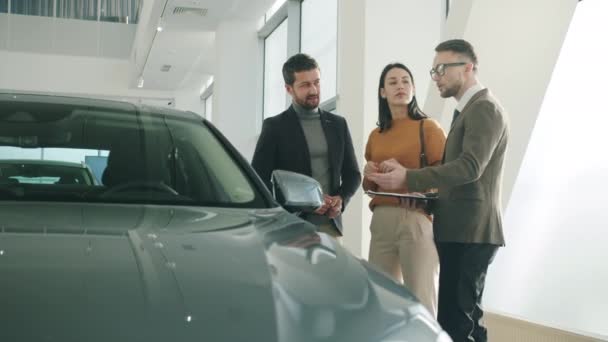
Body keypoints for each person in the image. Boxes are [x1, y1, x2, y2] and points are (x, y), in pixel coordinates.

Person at [367, 39, 509, 342]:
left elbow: (470, 168)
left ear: (468, 67)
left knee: (457, 323)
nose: (437, 76)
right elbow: (456, 177)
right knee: (461, 320)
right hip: (458, 228)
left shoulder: (484, 108)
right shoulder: (467, 110)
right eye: (434, 71)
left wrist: (409, 177)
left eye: (442, 68)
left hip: (471, 230)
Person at [363, 62, 446, 317]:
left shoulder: (428, 127)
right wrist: (367, 175)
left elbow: (446, 174)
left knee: (422, 303)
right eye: (393, 82)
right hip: (381, 221)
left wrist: (416, 189)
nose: (400, 86)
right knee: (381, 302)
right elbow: (370, 187)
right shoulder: (376, 136)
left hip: (416, 219)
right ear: (382, 92)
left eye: (406, 81)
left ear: (413, 88)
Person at [252, 53, 361, 240]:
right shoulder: (274, 127)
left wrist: (341, 200)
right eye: (305, 85)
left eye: (316, 82)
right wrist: (304, 205)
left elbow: (353, 174)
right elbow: (259, 180)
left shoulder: (338, 124)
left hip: (329, 228)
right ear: (289, 89)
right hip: (289, 228)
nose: (313, 90)